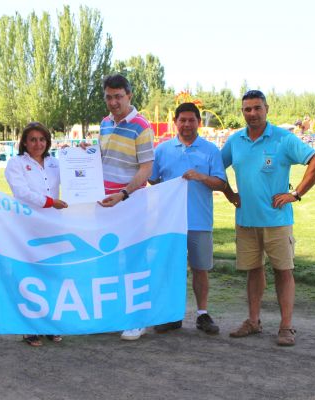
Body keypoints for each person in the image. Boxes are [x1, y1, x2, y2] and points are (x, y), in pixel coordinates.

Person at [221, 90, 315, 347]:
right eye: (247, 109)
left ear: (267, 108)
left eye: (257, 108)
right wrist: (229, 193)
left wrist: (295, 193)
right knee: (253, 271)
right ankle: (254, 321)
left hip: (277, 220)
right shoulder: (235, 141)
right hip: (246, 220)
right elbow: (215, 168)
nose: (252, 114)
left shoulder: (282, 139)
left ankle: (286, 327)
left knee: (283, 272)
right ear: (242, 112)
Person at [149, 103, 226, 335]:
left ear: (198, 123)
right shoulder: (162, 150)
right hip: (170, 222)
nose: (187, 124)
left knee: (200, 269)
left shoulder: (210, 150)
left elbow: (220, 183)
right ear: (175, 122)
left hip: (199, 220)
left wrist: (201, 176)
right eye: (182, 120)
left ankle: (202, 314)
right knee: (172, 268)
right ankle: (172, 315)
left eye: (191, 120)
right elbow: (153, 180)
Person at [95, 73, 155, 341]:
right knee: (107, 260)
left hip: (130, 203)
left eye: (118, 96)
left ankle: (138, 319)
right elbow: (103, 160)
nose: (113, 102)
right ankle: (114, 315)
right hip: (105, 205)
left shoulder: (142, 126)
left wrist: (124, 193)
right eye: (109, 96)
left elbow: (146, 168)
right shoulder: (105, 123)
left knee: (134, 261)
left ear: (129, 96)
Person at [5, 121, 67, 347]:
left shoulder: (56, 163)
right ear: (24, 142)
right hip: (27, 228)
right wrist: (50, 202)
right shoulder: (16, 163)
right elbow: (21, 192)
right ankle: (28, 326)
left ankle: (49, 324)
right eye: (32, 139)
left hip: (54, 227)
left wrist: (83, 154)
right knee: (28, 276)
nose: (37, 144)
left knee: (52, 276)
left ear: (47, 142)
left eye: (42, 139)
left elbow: (77, 176)